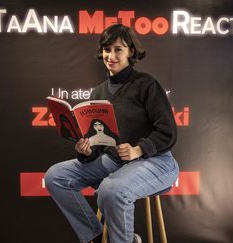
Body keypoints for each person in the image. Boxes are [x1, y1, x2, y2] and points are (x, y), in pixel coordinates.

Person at [45, 24, 179, 243]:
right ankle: (97, 237)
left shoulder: (146, 84)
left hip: (157, 161)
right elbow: (99, 143)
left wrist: (138, 149)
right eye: (107, 50)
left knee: (110, 190)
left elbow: (168, 133)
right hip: (115, 161)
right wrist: (85, 152)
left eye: (118, 49)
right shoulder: (98, 92)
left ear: (131, 52)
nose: (111, 55)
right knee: (55, 176)